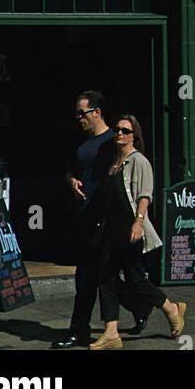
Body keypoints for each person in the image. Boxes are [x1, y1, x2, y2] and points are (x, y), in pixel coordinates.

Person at [52, 90, 144, 350]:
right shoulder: (81, 144)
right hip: (84, 220)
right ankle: (140, 307)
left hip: (106, 222)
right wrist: (71, 181)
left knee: (100, 277)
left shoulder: (112, 141)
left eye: (82, 113)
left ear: (97, 113)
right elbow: (70, 169)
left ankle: (82, 332)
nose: (78, 118)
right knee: (91, 277)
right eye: (77, 113)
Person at [89, 113, 186, 350]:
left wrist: (138, 223)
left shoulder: (138, 161)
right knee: (106, 277)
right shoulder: (113, 162)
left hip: (129, 229)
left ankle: (171, 307)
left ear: (135, 136)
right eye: (117, 130)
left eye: (126, 130)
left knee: (134, 279)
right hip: (111, 230)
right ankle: (111, 332)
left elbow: (144, 195)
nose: (120, 134)